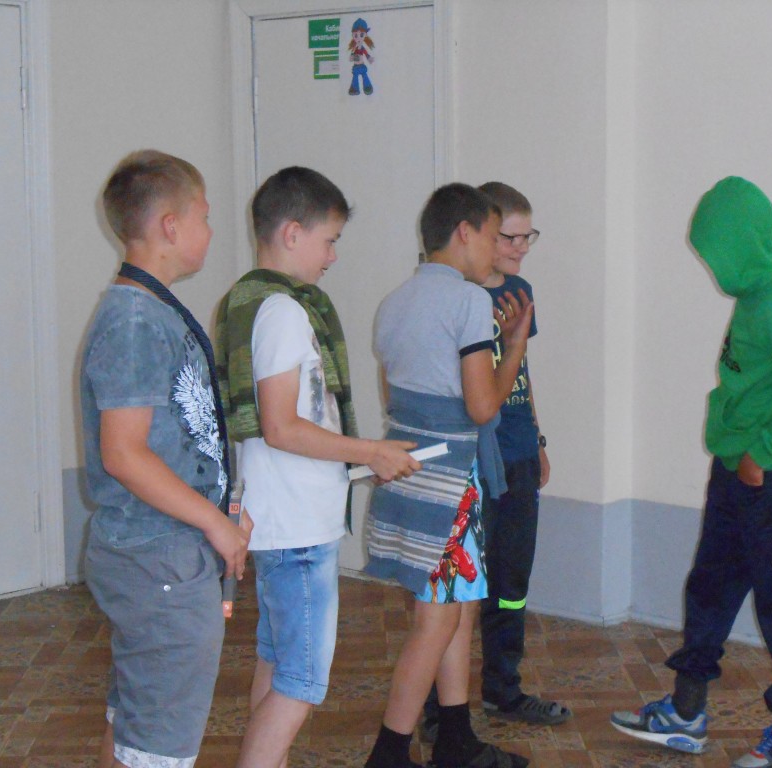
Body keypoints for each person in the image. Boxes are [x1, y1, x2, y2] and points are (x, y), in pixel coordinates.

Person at [610, 176, 772, 768]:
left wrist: (763, 455)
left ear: (743, 245)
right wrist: (739, 456)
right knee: (711, 585)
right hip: (738, 466)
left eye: (716, 255)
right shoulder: (754, 293)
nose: (712, 268)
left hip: (771, 473)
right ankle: (686, 713)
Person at [214, 166, 420, 768]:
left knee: (278, 662)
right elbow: (280, 426)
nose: (332, 257)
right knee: (302, 682)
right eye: (329, 241)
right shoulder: (282, 310)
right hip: (296, 525)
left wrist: (356, 462)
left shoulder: (254, 301)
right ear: (292, 233)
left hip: (286, 515)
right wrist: (370, 451)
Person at [81, 149, 253, 768]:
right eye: (204, 216)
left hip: (166, 550)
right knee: (157, 744)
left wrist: (219, 507)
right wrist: (213, 523)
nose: (211, 229)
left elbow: (175, 439)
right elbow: (124, 455)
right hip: (158, 556)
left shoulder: (150, 311)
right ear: (171, 227)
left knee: (136, 722)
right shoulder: (134, 321)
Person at [362, 183, 534, 768]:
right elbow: (482, 407)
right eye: (491, 236)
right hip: (451, 484)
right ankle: (389, 752)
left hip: (409, 473)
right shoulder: (468, 302)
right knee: (434, 623)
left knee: (454, 607)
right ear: (465, 232)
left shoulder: (394, 302)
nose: (496, 251)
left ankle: (455, 737)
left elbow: (393, 396)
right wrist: (514, 345)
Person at [421, 182, 568, 739]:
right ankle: (438, 707)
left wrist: (538, 438)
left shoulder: (521, 291)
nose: (519, 247)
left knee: (511, 580)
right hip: (471, 462)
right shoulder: (456, 298)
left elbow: (520, 372)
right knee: (456, 588)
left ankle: (504, 688)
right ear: (480, 233)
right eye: (508, 237)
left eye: (528, 236)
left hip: (519, 454)